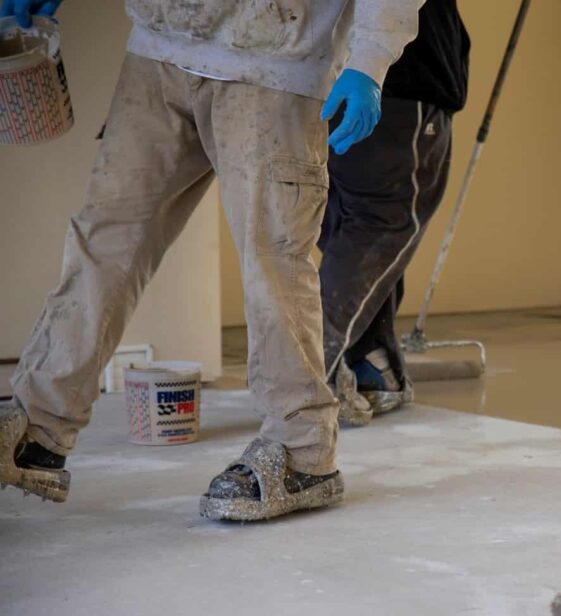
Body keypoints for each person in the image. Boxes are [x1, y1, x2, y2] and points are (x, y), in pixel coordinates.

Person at [0, 0, 419, 521]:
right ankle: (36, 431)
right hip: (159, 48)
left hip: (275, 61)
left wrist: (371, 57)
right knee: (103, 242)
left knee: (273, 263)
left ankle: (302, 450)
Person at [317, 0, 469, 427]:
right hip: (400, 81)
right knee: (379, 226)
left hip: (325, 80)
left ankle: (371, 363)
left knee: (345, 226)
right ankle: (304, 376)